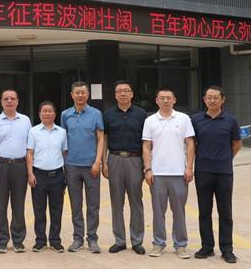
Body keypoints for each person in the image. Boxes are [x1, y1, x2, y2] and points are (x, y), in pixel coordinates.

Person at [142, 87, 195, 259]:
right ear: (156, 101)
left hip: (179, 173)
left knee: (179, 211)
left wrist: (189, 167)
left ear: (174, 100)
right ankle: (158, 243)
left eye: (168, 98)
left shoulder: (184, 119)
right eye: (162, 98)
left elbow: (190, 143)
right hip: (157, 174)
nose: (165, 100)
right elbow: (146, 146)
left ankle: (181, 245)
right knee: (158, 212)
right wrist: (148, 169)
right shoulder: (150, 121)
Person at [192, 86, 242, 264]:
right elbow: (192, 144)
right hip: (203, 171)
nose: (212, 101)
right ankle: (207, 246)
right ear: (204, 100)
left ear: (222, 100)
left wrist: (226, 158)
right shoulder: (197, 120)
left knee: (225, 212)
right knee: (204, 211)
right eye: (209, 97)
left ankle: (227, 249)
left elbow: (237, 143)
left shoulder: (231, 120)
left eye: (215, 98)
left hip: (224, 172)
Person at [102, 80, 147, 255]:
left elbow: (146, 142)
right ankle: (119, 240)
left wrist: (146, 165)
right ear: (115, 95)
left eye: (126, 91)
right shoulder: (108, 114)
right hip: (114, 159)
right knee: (116, 202)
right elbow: (104, 139)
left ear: (132, 94)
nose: (122, 94)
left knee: (136, 202)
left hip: (135, 160)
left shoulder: (141, 114)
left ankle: (137, 241)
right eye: (119, 91)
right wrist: (104, 162)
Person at [0, 89, 31, 253]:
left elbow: (30, 148)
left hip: (20, 166)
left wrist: (29, 171)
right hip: (1, 166)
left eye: (12, 98)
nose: (9, 101)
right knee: (1, 205)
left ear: (17, 101)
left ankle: (18, 240)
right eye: (6, 99)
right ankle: (2, 241)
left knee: (19, 205)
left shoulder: (25, 120)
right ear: (1, 102)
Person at [61, 81, 104, 253]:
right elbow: (63, 140)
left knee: (93, 205)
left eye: (83, 92)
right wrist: (64, 162)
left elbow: (101, 139)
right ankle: (78, 238)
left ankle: (92, 238)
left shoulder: (96, 114)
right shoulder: (65, 115)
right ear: (72, 95)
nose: (80, 95)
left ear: (88, 95)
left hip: (91, 166)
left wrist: (98, 162)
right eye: (77, 92)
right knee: (76, 205)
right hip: (72, 166)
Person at [26, 101, 67, 253]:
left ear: (55, 114)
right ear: (39, 114)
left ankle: (55, 240)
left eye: (50, 111)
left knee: (57, 210)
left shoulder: (62, 132)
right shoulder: (33, 131)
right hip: (39, 175)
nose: (47, 113)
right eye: (44, 111)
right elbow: (29, 153)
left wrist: (65, 176)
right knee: (39, 210)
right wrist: (30, 173)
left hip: (57, 175)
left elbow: (65, 153)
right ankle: (40, 240)